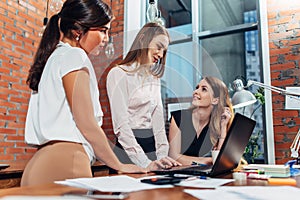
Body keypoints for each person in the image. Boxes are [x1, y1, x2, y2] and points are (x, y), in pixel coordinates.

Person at [21, 0, 145, 187]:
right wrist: (118, 165)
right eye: (103, 31)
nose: (106, 39)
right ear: (79, 30)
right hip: (67, 162)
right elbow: (87, 124)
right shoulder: (74, 56)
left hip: (40, 164)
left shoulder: (53, 58)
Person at [106, 22, 180, 171]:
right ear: (143, 39)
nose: (160, 54)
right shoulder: (118, 74)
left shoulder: (154, 79)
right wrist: (144, 162)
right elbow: (121, 126)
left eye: (164, 51)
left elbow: (158, 123)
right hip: (127, 150)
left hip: (150, 146)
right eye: (158, 46)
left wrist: (162, 158)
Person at [168, 76, 234, 165]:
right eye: (197, 88)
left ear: (215, 100)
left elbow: (221, 161)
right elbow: (173, 156)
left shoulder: (217, 124)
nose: (195, 92)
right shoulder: (178, 118)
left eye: (203, 89)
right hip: (180, 175)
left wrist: (223, 128)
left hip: (204, 176)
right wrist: (207, 161)